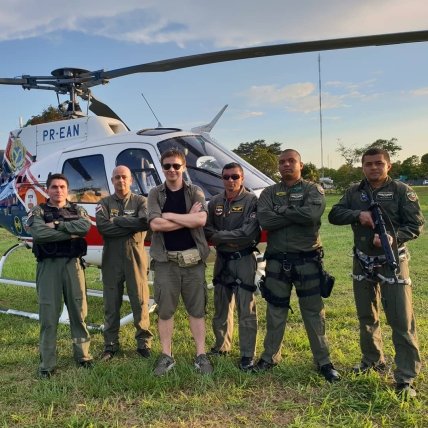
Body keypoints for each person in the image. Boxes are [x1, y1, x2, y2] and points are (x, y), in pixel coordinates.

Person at [328, 148, 424, 398]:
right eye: (368, 164)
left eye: (378, 163)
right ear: (362, 167)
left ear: (388, 166)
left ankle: (406, 376)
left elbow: (416, 225)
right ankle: (372, 360)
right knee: (366, 315)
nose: (373, 167)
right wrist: (358, 215)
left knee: (401, 319)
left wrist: (393, 237)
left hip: (393, 260)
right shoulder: (354, 191)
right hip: (362, 260)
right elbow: (334, 214)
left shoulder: (402, 190)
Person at [255, 149, 340, 382]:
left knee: (313, 312)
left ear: (300, 165)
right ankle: (269, 357)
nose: (286, 165)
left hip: (307, 260)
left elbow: (311, 215)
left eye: (291, 161)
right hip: (277, 261)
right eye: (282, 162)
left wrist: (281, 211)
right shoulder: (269, 192)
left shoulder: (313, 189)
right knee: (275, 310)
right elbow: (265, 220)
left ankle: (324, 362)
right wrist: (296, 214)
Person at [147, 148, 212, 376]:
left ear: (183, 167)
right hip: (166, 262)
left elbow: (201, 219)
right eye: (167, 166)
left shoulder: (195, 191)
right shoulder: (155, 194)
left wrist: (169, 216)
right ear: (162, 168)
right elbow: (155, 225)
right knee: (165, 311)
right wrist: (187, 218)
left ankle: (201, 355)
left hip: (193, 261)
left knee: (197, 310)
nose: (172, 170)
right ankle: (166, 355)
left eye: (176, 165)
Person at [27, 173, 92, 378]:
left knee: (78, 312)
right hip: (49, 267)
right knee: (48, 315)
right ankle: (47, 364)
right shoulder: (38, 211)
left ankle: (83, 356)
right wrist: (70, 232)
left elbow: (85, 227)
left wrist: (56, 225)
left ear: (67, 189)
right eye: (54, 187)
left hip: (73, 265)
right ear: (47, 190)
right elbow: (39, 233)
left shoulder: (77, 210)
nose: (58, 190)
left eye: (62, 187)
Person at [204, 162, 260, 371]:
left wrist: (220, 237)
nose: (230, 180)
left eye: (235, 177)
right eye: (226, 177)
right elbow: (207, 230)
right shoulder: (215, 202)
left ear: (242, 178)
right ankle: (221, 346)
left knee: (246, 308)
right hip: (222, 259)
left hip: (243, 259)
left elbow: (248, 232)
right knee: (221, 306)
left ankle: (247, 354)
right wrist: (226, 238)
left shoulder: (251, 201)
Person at [96, 165, 153, 361]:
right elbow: (103, 228)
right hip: (112, 258)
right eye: (117, 177)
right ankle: (110, 344)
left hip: (135, 257)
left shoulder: (141, 201)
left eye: (124, 177)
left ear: (130, 180)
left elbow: (145, 222)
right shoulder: (104, 202)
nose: (121, 180)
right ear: (112, 180)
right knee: (111, 302)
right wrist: (131, 224)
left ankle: (143, 343)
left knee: (140, 300)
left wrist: (118, 221)